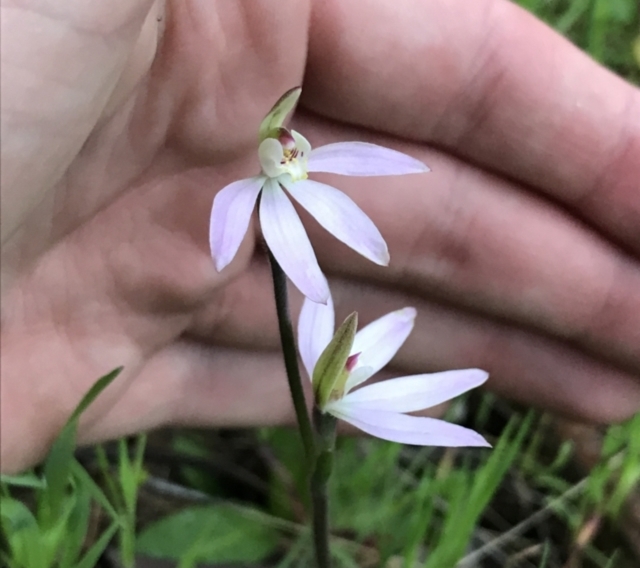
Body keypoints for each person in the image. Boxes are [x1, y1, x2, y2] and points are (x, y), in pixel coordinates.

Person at [2, 0, 639, 474]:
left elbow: (363, 194)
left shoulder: (320, 174)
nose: (287, 146)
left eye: (289, 141)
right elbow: (231, 239)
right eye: (277, 141)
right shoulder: (240, 198)